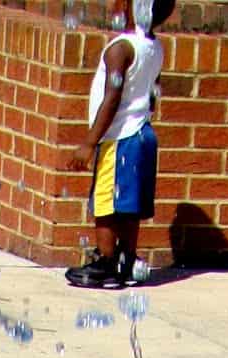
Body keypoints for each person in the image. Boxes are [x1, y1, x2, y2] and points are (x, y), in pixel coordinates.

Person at [64, 0, 175, 290]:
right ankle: (127, 258)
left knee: (105, 202)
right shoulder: (155, 48)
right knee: (128, 205)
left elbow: (111, 98)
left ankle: (106, 261)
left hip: (119, 137)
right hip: (142, 134)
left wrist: (89, 143)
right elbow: (153, 93)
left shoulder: (120, 49)